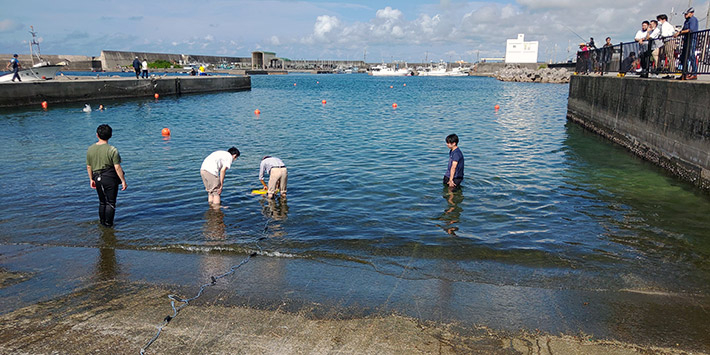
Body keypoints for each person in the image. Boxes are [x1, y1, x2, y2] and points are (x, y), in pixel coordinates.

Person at [86, 124, 127, 227]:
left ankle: (102, 223)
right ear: (110, 135)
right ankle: (108, 225)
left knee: (102, 202)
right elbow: (117, 167)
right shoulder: (112, 150)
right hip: (109, 177)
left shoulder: (90, 149)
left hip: (97, 177)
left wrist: (91, 179)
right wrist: (123, 181)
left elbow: (89, 166)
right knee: (111, 202)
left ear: (97, 135)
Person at [675, 8, 698, 80]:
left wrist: (680, 32)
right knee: (684, 57)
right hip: (686, 40)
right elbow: (684, 30)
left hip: (691, 39)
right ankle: (685, 73)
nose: (685, 15)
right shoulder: (686, 21)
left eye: (686, 14)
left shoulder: (693, 19)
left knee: (691, 55)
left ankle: (694, 73)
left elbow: (690, 30)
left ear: (692, 13)